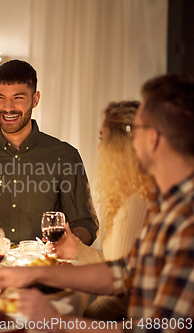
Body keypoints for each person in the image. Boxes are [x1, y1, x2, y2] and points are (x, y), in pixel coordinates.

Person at [0, 74, 194, 332]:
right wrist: (33, 274)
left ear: (152, 138)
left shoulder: (186, 222)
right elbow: (122, 273)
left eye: (135, 130)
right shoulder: (166, 207)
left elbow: (161, 329)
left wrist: (57, 322)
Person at [0, 59, 98, 245]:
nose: (7, 107)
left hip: (43, 268)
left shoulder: (65, 156)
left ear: (35, 99)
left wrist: (68, 243)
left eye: (18, 98)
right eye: (0, 98)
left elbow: (86, 223)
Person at [48, 101, 155, 320]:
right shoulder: (136, 195)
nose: (98, 148)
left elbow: (124, 290)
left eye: (102, 138)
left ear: (120, 147)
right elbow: (121, 268)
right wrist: (77, 250)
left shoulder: (136, 205)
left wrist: (80, 319)